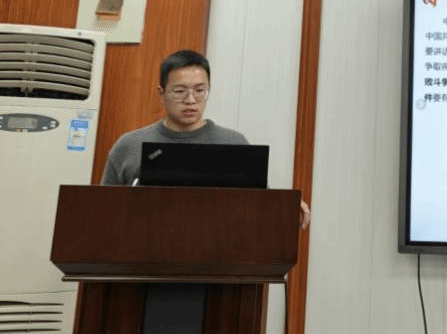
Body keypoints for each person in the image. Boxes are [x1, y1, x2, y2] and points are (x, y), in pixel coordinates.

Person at [100, 49, 313, 225]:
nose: (191, 100)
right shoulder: (129, 145)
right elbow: (103, 211)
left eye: (200, 90)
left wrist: (288, 207)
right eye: (179, 91)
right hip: (144, 256)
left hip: (218, 256)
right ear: (161, 93)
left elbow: (261, 206)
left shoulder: (234, 144)